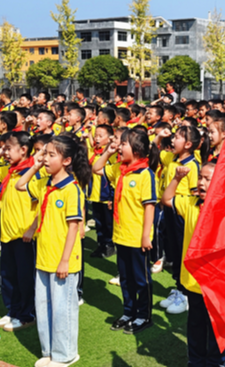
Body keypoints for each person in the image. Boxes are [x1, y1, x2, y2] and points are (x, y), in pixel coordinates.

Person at [16, 135, 91, 367]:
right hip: (44, 257)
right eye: (44, 153)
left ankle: (66, 354)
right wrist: (35, 164)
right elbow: (20, 185)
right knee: (44, 306)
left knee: (63, 309)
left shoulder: (72, 189)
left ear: (67, 160)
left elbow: (73, 229)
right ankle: (49, 351)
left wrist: (65, 261)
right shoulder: (44, 183)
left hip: (62, 260)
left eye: (51, 154)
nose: (45, 158)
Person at [161, 163, 225, 366]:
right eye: (201, 177)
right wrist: (177, 178)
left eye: (208, 179)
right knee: (196, 324)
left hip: (216, 283)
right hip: (193, 280)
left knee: (216, 326)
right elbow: (166, 199)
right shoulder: (190, 203)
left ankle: (216, 361)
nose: (201, 182)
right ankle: (196, 360)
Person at [92, 128, 158, 335]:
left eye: (124, 144)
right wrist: (108, 152)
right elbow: (96, 168)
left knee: (141, 278)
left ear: (137, 150)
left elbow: (149, 206)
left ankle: (143, 315)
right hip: (121, 235)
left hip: (137, 237)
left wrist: (146, 235)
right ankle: (128, 312)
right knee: (126, 278)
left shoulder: (145, 174)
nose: (120, 147)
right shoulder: (120, 169)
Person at [155, 126, 201, 314]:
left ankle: (186, 293)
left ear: (189, 144)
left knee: (183, 252)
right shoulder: (170, 159)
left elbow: (194, 194)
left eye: (178, 138)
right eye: (173, 137)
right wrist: (159, 136)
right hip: (168, 209)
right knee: (172, 250)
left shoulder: (192, 165)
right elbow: (154, 148)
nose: (172, 140)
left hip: (182, 212)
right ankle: (178, 288)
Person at [0, 132, 40, 332]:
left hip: (24, 236)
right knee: (8, 275)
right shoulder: (9, 170)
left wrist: (32, 228)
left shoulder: (35, 172)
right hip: (7, 233)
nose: (3, 152)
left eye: (7, 148)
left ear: (23, 150)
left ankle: (27, 314)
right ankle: (13, 310)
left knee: (25, 277)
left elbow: (42, 203)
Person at [87, 125, 116, 258]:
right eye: (96, 135)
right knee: (99, 222)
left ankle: (110, 245)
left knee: (108, 223)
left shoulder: (111, 154)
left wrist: (111, 196)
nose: (97, 138)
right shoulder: (93, 152)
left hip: (106, 196)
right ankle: (101, 245)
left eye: (100, 136)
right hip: (95, 194)